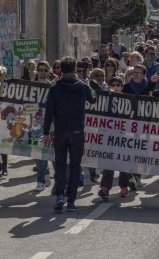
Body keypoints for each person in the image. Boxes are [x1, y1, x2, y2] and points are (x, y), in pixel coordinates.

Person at [42, 56, 97, 212]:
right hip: (77, 132)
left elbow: (49, 112)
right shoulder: (82, 86)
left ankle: (60, 195)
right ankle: (71, 201)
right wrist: (88, 83)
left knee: (59, 166)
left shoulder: (54, 88)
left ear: (61, 70)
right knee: (74, 167)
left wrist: (46, 132)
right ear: (74, 70)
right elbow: (94, 98)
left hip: (60, 132)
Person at [98, 77, 132, 199]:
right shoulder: (105, 99)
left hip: (124, 136)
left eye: (118, 84)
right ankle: (105, 188)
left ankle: (124, 187)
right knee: (109, 161)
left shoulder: (127, 100)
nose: (116, 86)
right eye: (113, 84)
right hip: (108, 135)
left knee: (124, 162)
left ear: (122, 87)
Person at [33, 61, 53, 192]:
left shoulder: (52, 88)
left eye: (45, 70)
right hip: (34, 124)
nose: (42, 72)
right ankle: (45, 171)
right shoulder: (30, 87)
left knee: (43, 153)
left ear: (49, 71)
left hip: (48, 124)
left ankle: (40, 181)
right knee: (36, 154)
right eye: (40, 70)